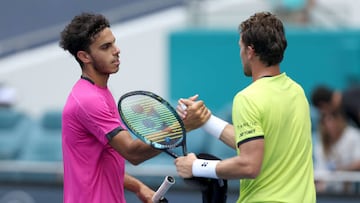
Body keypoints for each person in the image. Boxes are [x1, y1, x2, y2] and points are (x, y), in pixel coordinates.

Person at [59, 12, 209, 203]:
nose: (117, 50)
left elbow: (99, 163)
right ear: (84, 56)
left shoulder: (98, 92)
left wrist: (138, 187)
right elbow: (132, 152)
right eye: (106, 47)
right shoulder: (89, 100)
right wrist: (184, 125)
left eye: (113, 43)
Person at [174, 11, 316, 202]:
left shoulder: (247, 98)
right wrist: (206, 120)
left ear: (250, 51)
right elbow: (254, 145)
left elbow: (250, 165)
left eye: (240, 47)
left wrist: (196, 166)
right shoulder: (297, 92)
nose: (240, 54)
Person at [313, 109, 360, 193]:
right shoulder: (321, 142)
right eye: (326, 122)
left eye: (332, 120)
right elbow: (320, 169)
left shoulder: (353, 136)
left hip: (352, 190)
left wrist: (342, 170)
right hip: (328, 190)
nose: (330, 125)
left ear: (340, 120)